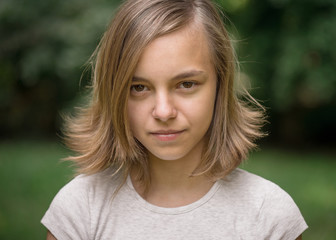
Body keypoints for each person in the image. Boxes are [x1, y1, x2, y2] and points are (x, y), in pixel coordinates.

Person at [42, 0, 308, 239]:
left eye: (186, 84)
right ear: (114, 93)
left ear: (220, 84)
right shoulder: (81, 209)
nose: (164, 111)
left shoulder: (269, 215)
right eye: (139, 87)